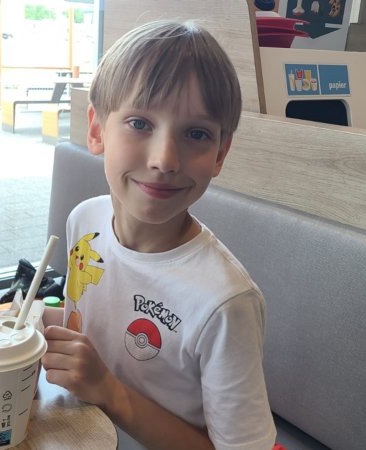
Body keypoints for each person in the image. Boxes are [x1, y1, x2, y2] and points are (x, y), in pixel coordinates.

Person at [41, 20, 278, 450]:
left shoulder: (225, 303)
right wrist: (40, 322)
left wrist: (109, 391)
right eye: (140, 123)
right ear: (96, 130)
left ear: (220, 153)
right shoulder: (84, 222)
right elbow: (96, 324)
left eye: (196, 134)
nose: (165, 159)